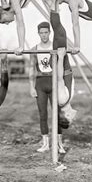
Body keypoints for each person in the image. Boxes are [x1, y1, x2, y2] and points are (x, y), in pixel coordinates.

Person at [29, 18, 76, 154]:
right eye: (41, 33)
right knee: (42, 113)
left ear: (49, 32)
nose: (43, 35)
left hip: (54, 82)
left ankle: (59, 144)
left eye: (46, 32)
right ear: (38, 34)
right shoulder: (34, 49)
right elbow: (31, 69)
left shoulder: (54, 48)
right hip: (40, 83)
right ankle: (45, 143)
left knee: (57, 113)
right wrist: (31, 87)